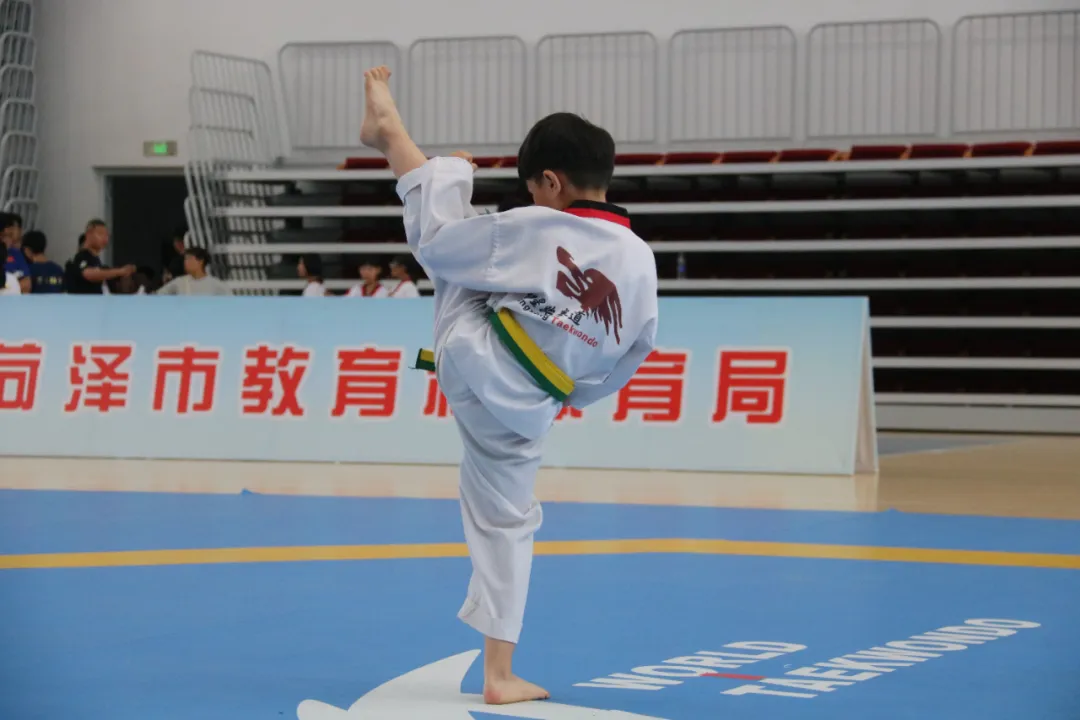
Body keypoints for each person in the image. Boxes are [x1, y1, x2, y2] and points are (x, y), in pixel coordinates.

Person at [360, 66, 658, 705]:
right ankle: (500, 673)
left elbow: (440, 247)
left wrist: (454, 175)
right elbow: (636, 347)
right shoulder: (640, 258)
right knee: (507, 524)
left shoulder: (534, 225)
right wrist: (574, 395)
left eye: (533, 188)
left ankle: (398, 140)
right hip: (530, 400)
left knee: (450, 246)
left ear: (551, 181)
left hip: (471, 353)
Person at [66, 219, 135, 294]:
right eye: (100, 234)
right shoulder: (82, 256)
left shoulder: (95, 259)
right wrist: (120, 271)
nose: (105, 238)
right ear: (88, 234)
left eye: (107, 235)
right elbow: (88, 274)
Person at [156, 247, 230, 295]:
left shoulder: (216, 285)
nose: (185, 262)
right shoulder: (179, 282)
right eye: (185, 259)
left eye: (189, 259)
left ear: (200, 261)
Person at [1, 212, 30, 294]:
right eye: (4, 235)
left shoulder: (16, 254)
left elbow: (27, 284)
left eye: (10, 235)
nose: (8, 239)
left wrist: (8, 289)